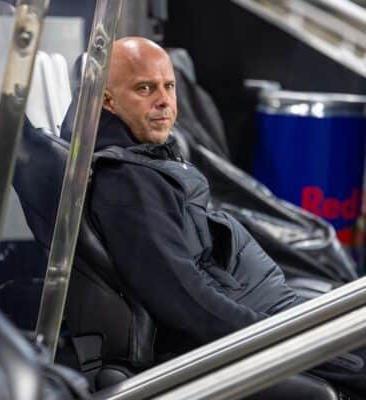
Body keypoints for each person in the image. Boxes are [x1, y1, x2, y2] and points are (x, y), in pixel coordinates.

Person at [88, 37, 366, 396]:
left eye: (168, 87)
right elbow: (186, 300)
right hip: (252, 322)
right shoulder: (127, 183)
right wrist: (304, 345)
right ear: (107, 100)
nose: (164, 101)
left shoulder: (147, 156)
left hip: (264, 305)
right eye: (145, 88)